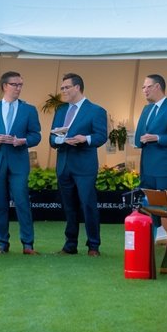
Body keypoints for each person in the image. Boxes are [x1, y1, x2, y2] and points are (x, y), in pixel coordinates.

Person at [0, 71, 42, 254]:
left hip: (19, 163)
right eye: (15, 84)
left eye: (21, 84)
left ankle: (28, 245)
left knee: (22, 202)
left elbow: (36, 135)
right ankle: (2, 243)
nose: (19, 88)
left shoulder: (29, 110)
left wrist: (22, 141)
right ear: (5, 86)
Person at [50, 73, 108, 256]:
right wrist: (61, 141)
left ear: (77, 87)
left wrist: (85, 138)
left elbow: (101, 136)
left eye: (67, 87)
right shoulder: (60, 111)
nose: (64, 91)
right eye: (62, 88)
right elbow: (52, 139)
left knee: (88, 205)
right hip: (64, 164)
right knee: (69, 207)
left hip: (84, 166)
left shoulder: (96, 111)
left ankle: (93, 245)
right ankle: (70, 245)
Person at [134, 74, 167, 193]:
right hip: (146, 168)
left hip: (164, 168)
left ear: (157, 86)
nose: (145, 90)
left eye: (148, 87)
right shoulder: (146, 109)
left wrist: (157, 138)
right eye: (143, 87)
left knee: (166, 206)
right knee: (148, 205)